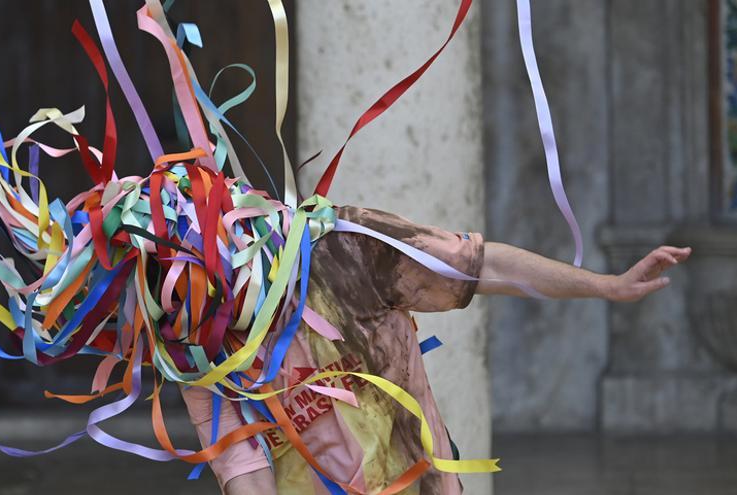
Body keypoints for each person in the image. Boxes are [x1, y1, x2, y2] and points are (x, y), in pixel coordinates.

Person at [182, 205, 692, 494]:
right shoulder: (187, 347)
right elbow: (240, 468)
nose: (189, 319)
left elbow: (482, 266)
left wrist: (607, 285)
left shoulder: (342, 248)